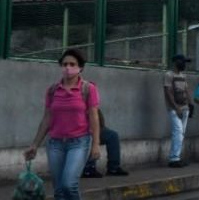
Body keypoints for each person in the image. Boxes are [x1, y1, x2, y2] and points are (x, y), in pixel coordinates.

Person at [24, 48, 101, 200]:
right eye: (65, 64)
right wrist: (35, 144)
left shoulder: (88, 88)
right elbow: (47, 118)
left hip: (79, 143)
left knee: (68, 184)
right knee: (59, 190)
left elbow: (94, 116)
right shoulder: (52, 90)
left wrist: (96, 144)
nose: (68, 68)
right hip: (55, 144)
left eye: (72, 64)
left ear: (80, 67)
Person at [164, 54, 193, 168]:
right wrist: (176, 108)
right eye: (182, 62)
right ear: (176, 62)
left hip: (185, 108)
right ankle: (174, 159)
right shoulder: (168, 75)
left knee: (181, 133)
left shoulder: (183, 75)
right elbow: (168, 92)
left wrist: (191, 104)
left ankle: (176, 157)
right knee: (178, 132)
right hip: (174, 108)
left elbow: (186, 90)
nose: (184, 64)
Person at [81, 109, 129, 178]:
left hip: (92, 125)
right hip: (79, 128)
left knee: (112, 135)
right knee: (91, 135)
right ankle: (89, 169)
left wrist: (100, 126)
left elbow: (96, 111)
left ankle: (113, 168)